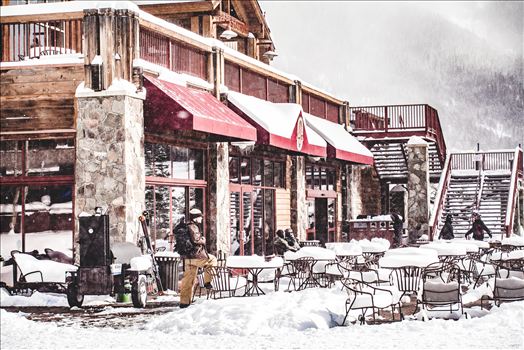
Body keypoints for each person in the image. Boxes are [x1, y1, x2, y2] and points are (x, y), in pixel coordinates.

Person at [178, 208, 217, 308]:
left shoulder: (185, 226)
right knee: (212, 260)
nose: (201, 219)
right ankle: (207, 282)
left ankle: (184, 302)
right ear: (195, 218)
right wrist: (203, 240)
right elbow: (196, 240)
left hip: (187, 258)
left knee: (188, 279)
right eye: (200, 217)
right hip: (197, 256)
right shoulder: (193, 227)